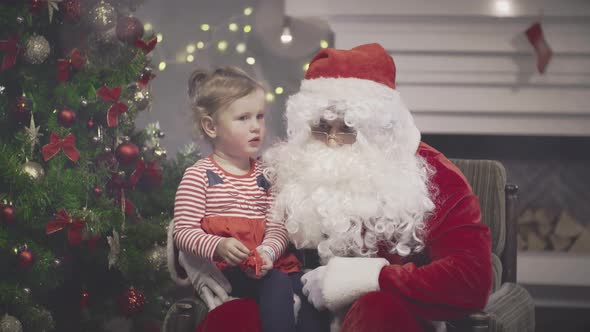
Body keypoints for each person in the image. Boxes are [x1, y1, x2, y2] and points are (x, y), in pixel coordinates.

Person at [173, 44, 493, 332]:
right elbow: (228, 214)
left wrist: (368, 278)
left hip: (382, 315)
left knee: (376, 310)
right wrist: (197, 255)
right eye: (321, 126)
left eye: (349, 128)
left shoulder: (430, 175)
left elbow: (472, 281)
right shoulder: (294, 164)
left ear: (378, 128)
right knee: (233, 320)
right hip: (295, 305)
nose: (331, 141)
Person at [167, 67, 328, 332]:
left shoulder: (268, 174)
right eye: (243, 118)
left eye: (260, 117)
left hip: (270, 263)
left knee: (312, 287)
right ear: (211, 126)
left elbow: (278, 227)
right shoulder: (199, 175)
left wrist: (267, 251)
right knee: (276, 283)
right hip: (230, 271)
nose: (256, 126)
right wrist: (218, 245)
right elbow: (183, 233)